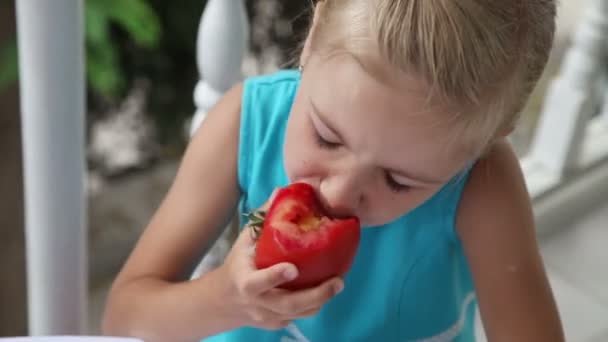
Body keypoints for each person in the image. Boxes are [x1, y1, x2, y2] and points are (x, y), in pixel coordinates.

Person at [102, 0, 565, 341]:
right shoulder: (247, 122)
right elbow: (124, 315)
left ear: (489, 140)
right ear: (313, 32)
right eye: (326, 137)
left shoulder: (484, 188)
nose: (340, 196)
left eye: (398, 181)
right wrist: (225, 298)